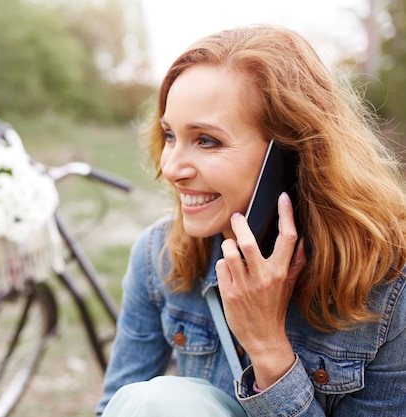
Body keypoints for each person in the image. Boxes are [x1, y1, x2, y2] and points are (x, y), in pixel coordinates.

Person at [96, 24, 406, 417]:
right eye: (170, 135)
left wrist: (268, 349)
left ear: (291, 154)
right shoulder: (157, 254)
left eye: (207, 140)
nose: (170, 168)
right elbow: (117, 408)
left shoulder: (390, 285)